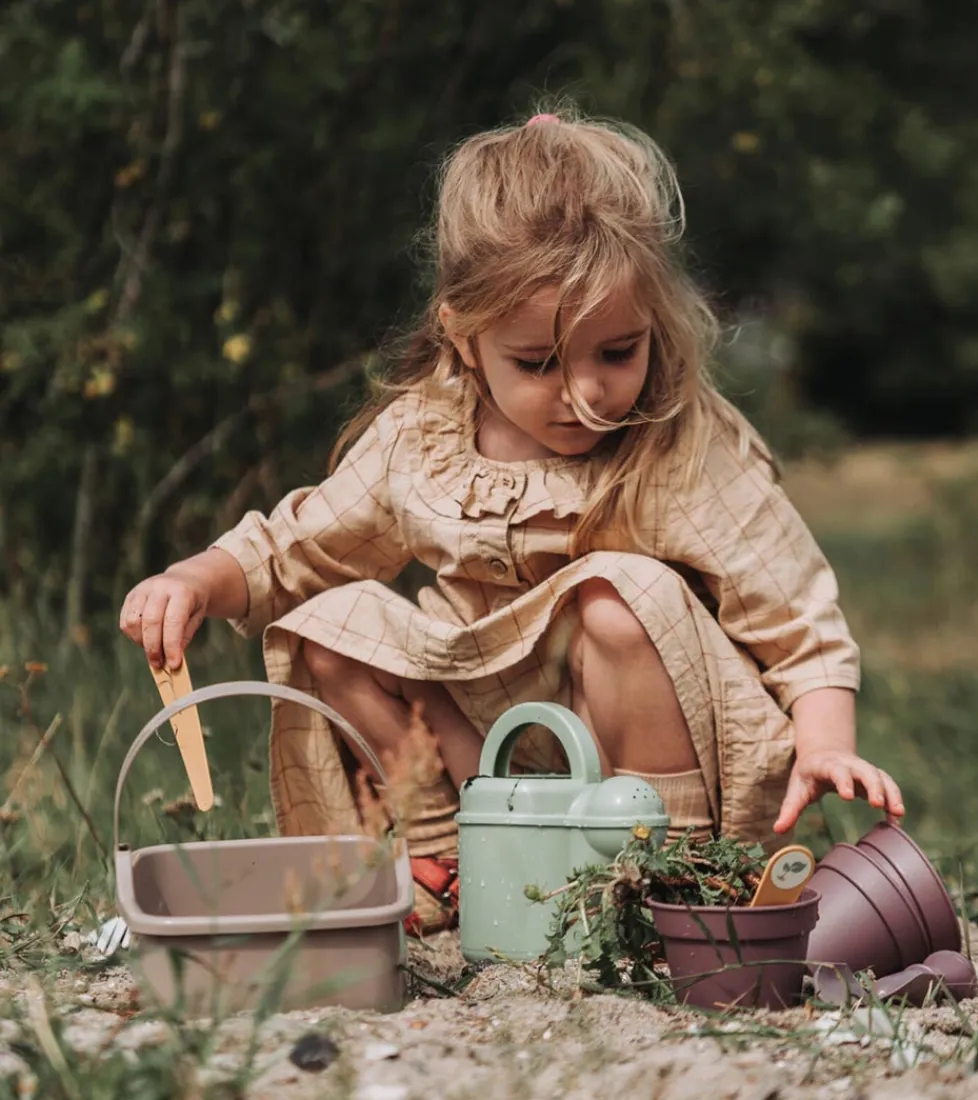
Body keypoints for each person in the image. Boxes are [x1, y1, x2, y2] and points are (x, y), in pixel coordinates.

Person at [120, 108, 904, 933]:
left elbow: (794, 611)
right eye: (536, 363)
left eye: (617, 352)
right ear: (462, 336)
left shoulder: (671, 438)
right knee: (329, 622)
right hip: (484, 738)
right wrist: (195, 580)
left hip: (635, 745)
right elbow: (301, 547)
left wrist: (824, 740)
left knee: (617, 597)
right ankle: (448, 855)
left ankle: (665, 874)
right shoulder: (426, 437)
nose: (585, 394)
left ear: (655, 324)